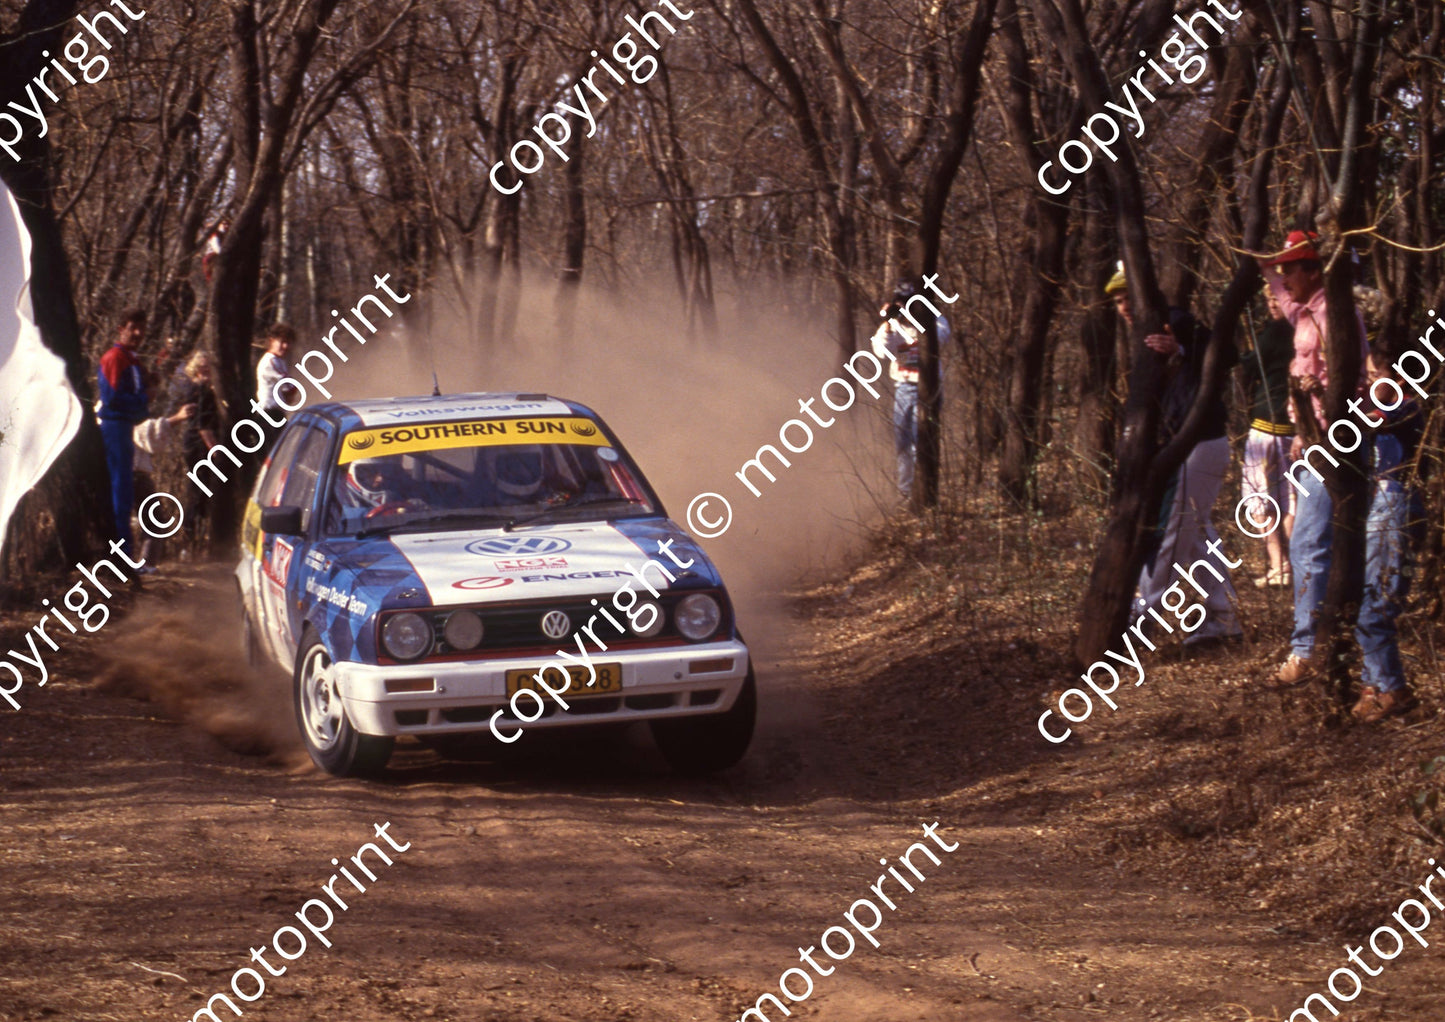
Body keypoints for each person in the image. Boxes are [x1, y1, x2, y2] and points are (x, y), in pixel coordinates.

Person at [1105, 266, 1243, 648]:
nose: (1123, 308)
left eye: (1126, 298)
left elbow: (1227, 352)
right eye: (1117, 302)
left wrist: (1182, 348)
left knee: (1170, 533)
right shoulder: (1146, 335)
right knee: (1196, 536)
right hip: (1188, 446)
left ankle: (1140, 621)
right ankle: (1224, 617)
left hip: (1200, 444)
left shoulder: (1176, 321)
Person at [1259, 230, 1370, 687]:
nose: (1282, 279)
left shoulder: (1333, 314)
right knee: (1315, 542)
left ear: (1314, 269)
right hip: (1311, 443)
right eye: (1282, 270)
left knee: (1308, 543)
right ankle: (1328, 641)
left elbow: (1349, 380)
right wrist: (1262, 258)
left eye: (1290, 268)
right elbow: (1279, 291)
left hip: (1333, 442)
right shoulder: (1304, 313)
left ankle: (1307, 649)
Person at [1349, 350, 1425, 722]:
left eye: (1373, 374)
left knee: (1376, 604)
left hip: (1394, 509)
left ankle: (1392, 688)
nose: (1366, 383)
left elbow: (1376, 420)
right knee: (1367, 598)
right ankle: (1373, 686)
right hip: (1376, 509)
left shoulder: (1406, 410)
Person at [870, 280, 952, 499]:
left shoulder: (933, 321)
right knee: (902, 443)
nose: (904, 307)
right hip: (903, 388)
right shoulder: (892, 327)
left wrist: (920, 320)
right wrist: (889, 323)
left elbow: (943, 336)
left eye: (908, 303)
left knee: (920, 441)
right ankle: (905, 492)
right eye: (899, 303)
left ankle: (922, 492)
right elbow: (881, 351)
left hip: (928, 388)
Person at [1238, 288, 1296, 587]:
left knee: (1259, 499)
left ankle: (1279, 564)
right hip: (1294, 428)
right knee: (1288, 499)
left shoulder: (1276, 332)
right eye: (1269, 299)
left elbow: (1248, 364)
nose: (1272, 304)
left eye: (1278, 298)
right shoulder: (1305, 329)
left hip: (1266, 427)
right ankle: (1291, 565)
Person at [97, 308, 150, 562]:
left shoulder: (133, 360)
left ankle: (124, 553)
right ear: (121, 329)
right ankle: (122, 555)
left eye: (141, 328)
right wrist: (142, 400)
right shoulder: (114, 358)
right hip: (114, 427)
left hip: (127, 427)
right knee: (120, 490)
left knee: (126, 491)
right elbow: (112, 398)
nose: (138, 333)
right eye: (133, 328)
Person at [169, 351, 221, 555]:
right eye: (201, 367)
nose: (205, 370)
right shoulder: (198, 390)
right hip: (197, 445)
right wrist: (215, 448)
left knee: (202, 492)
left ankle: (196, 541)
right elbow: (202, 425)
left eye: (208, 366)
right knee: (197, 492)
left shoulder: (204, 389)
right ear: (195, 369)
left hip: (198, 444)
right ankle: (187, 541)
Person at [131, 403, 194, 568]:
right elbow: (144, 434)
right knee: (154, 520)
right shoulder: (120, 408)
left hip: (130, 473)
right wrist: (177, 418)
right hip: (134, 474)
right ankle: (146, 566)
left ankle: (143, 564)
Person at [255, 322, 295, 416]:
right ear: (272, 341)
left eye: (288, 342)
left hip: (276, 413)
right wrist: (290, 394)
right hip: (269, 413)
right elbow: (289, 386)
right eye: (282, 342)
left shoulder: (279, 360)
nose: (285, 346)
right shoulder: (270, 361)